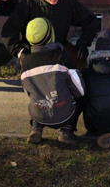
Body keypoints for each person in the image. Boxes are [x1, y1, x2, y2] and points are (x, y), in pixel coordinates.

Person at [2, 0, 100, 67]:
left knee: (79, 62)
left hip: (60, 46)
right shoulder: (28, 5)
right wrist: (20, 51)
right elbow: (9, 30)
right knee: (37, 70)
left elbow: (90, 20)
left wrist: (83, 42)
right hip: (34, 49)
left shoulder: (67, 3)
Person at [19, 17, 85, 145]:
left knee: (36, 97)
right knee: (81, 98)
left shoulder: (26, 63)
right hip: (64, 114)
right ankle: (66, 131)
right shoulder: (62, 57)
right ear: (51, 35)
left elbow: (28, 91)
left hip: (39, 113)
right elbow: (80, 90)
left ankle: (36, 128)